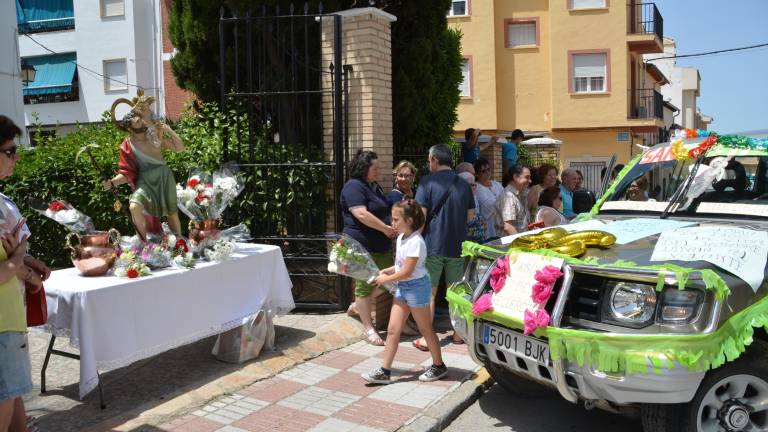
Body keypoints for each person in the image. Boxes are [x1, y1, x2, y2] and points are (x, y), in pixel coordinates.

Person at [362, 200, 447, 384]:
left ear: (408, 220)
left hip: (417, 287)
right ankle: (384, 371)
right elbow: (401, 265)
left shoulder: (416, 241)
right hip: (404, 287)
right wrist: (389, 270)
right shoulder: (401, 238)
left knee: (425, 329)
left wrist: (385, 279)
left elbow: (408, 271)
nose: (392, 223)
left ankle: (439, 366)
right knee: (393, 330)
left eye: (395, 219)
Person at [0, 115, 49, 432]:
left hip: (9, 324)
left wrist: (24, 260)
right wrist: (19, 257)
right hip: (3, 327)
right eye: (9, 151)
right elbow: (6, 269)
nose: (16, 157)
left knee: (15, 402)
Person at [414, 144, 474, 349]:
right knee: (455, 293)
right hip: (457, 246)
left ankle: (426, 338)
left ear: (435, 161)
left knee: (429, 293)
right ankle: (458, 334)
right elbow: (470, 216)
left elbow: (420, 218)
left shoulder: (426, 182)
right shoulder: (464, 183)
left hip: (432, 246)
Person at [104, 90, 185, 239]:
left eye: (139, 116)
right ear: (129, 127)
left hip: (163, 177)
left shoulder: (153, 136)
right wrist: (112, 182)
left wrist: (169, 130)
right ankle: (143, 243)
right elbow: (127, 172)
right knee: (134, 206)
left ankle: (179, 242)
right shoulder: (127, 145)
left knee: (172, 213)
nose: (139, 118)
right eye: (135, 117)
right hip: (145, 181)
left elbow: (180, 148)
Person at [340, 150, 397, 345]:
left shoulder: (373, 186)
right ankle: (368, 328)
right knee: (364, 286)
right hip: (361, 244)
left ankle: (357, 305)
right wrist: (386, 228)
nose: (378, 171)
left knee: (390, 281)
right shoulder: (353, 187)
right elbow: (361, 214)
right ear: (364, 168)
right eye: (375, 168)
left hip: (380, 245)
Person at [495, 164, 532, 235]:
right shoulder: (508, 196)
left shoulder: (521, 194)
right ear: (515, 177)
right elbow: (508, 227)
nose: (530, 181)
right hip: (511, 244)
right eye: (527, 177)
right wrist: (522, 244)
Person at [473, 157, 503, 240]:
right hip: (489, 225)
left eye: (488, 169)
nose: (487, 172)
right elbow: (489, 205)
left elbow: (506, 199)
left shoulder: (496, 184)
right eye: (483, 171)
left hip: (501, 222)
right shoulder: (477, 187)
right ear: (477, 174)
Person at [458, 172, 486, 242]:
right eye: (471, 185)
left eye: (474, 185)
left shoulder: (474, 197)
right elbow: (469, 223)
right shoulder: (458, 201)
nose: (474, 187)